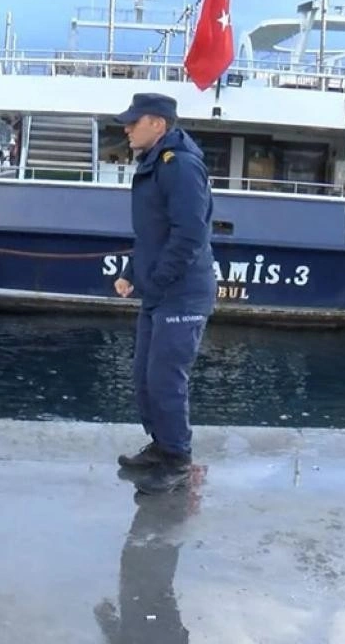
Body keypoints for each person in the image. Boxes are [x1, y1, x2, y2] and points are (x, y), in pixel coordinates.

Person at [111, 93, 215, 495]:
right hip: (159, 291)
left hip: (182, 292)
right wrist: (132, 273)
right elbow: (152, 233)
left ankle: (177, 460)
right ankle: (160, 445)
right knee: (144, 378)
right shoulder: (156, 163)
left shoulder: (181, 167)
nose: (127, 128)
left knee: (166, 378)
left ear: (158, 124)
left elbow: (190, 234)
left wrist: (156, 280)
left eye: (133, 122)